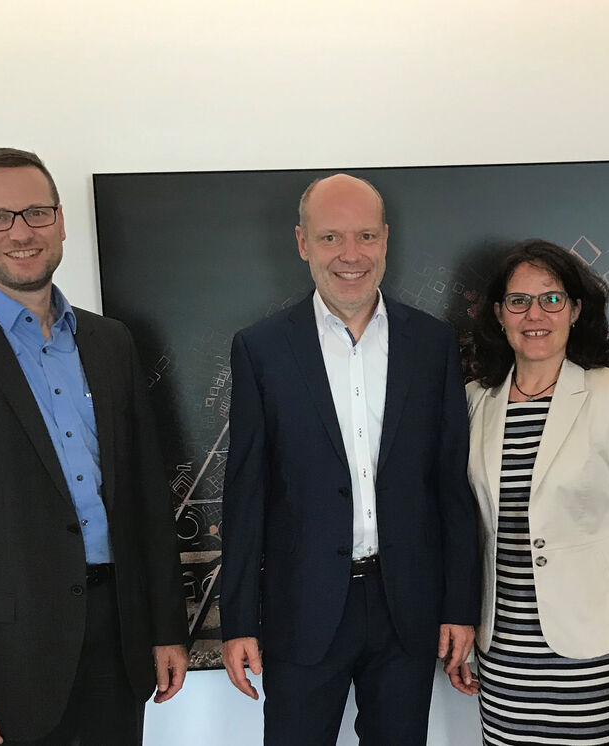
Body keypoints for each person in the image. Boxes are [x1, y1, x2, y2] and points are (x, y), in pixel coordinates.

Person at [0, 148, 189, 746]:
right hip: (2, 663)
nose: (21, 232)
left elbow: (145, 498)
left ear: (61, 221)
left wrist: (167, 628)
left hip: (120, 642)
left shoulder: (111, 342)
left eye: (37, 213)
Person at [219, 173, 480, 744]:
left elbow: (450, 486)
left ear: (385, 239)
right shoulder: (261, 348)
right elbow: (246, 493)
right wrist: (237, 620)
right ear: (302, 243)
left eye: (365, 236)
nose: (351, 255)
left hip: (406, 608)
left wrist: (460, 606)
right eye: (331, 237)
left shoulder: (432, 344)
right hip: (301, 607)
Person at [455, 239, 609, 745]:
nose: (535, 315)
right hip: (504, 654)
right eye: (518, 301)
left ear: (574, 310)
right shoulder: (474, 402)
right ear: (499, 315)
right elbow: (462, 528)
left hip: (596, 655)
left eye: (551, 299)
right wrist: (461, 629)